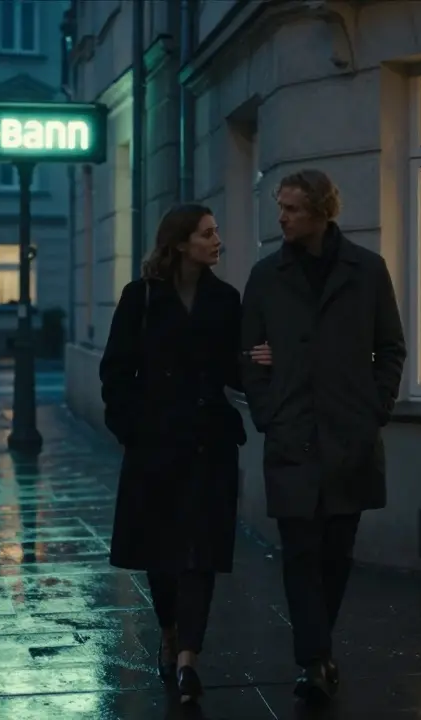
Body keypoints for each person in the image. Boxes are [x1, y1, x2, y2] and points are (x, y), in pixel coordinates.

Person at [240, 169, 406, 703]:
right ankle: (313, 660)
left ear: (321, 211)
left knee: (336, 554)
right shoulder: (267, 276)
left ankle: (319, 650)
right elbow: (248, 355)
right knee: (299, 553)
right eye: (280, 207)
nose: (282, 218)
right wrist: (268, 412)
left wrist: (375, 408)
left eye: (291, 208)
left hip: (348, 437)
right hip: (292, 435)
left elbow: (390, 347)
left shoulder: (366, 270)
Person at [99, 204, 272, 705]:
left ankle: (188, 659)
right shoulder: (141, 297)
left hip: (208, 442)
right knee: (161, 554)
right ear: (179, 243)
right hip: (155, 443)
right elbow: (116, 371)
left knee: (201, 551)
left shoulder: (225, 298)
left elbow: (232, 370)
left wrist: (259, 358)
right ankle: (170, 630)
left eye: (216, 232)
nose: (217, 241)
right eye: (207, 234)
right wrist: (130, 429)